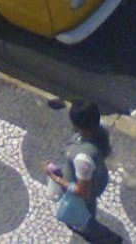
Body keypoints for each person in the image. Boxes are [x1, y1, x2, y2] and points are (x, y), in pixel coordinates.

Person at [44, 100, 122, 243]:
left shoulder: (82, 158)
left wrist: (56, 179)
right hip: (91, 182)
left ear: (77, 125)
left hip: (83, 196)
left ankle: (108, 239)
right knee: (86, 213)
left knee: (85, 219)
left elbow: (82, 191)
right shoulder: (100, 131)